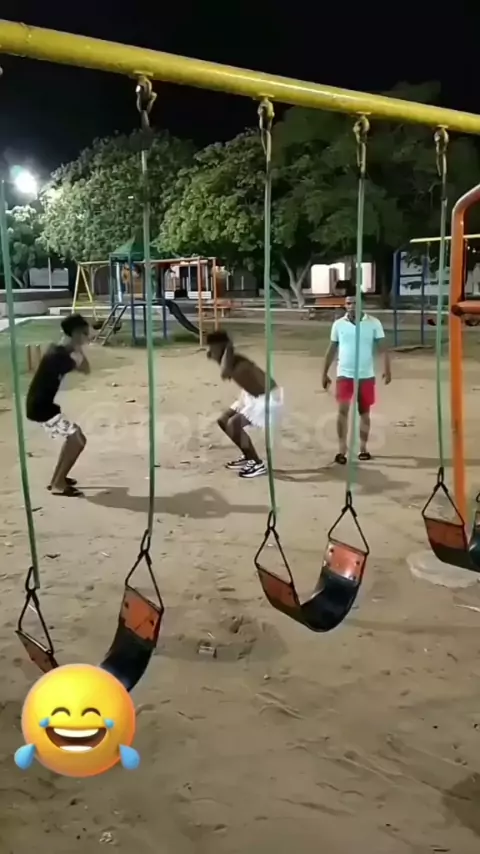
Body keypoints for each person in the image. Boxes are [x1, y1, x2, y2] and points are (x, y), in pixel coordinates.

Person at [26, 314, 91, 497]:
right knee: (77, 440)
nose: (86, 338)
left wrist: (75, 345)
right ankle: (58, 484)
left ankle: (58, 478)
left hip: (43, 406)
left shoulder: (59, 351)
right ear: (76, 333)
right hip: (40, 408)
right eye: (84, 334)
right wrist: (77, 347)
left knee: (76, 438)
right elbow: (85, 368)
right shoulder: (60, 356)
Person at [322, 295, 391, 463]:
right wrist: (324, 372)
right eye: (348, 303)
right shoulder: (338, 324)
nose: (352, 306)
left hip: (366, 375)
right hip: (344, 374)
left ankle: (363, 448)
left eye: (355, 303)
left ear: (362, 304)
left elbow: (383, 348)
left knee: (364, 412)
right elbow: (331, 349)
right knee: (342, 411)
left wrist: (387, 369)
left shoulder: (373, 323)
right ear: (345, 305)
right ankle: (341, 449)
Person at [206, 330, 283, 479]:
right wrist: (218, 350)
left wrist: (228, 346)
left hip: (268, 398)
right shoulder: (229, 359)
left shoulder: (235, 361)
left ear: (222, 348)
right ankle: (248, 456)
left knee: (233, 424)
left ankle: (257, 463)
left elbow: (224, 373)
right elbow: (218, 361)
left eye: (212, 348)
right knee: (223, 420)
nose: (209, 352)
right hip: (251, 395)